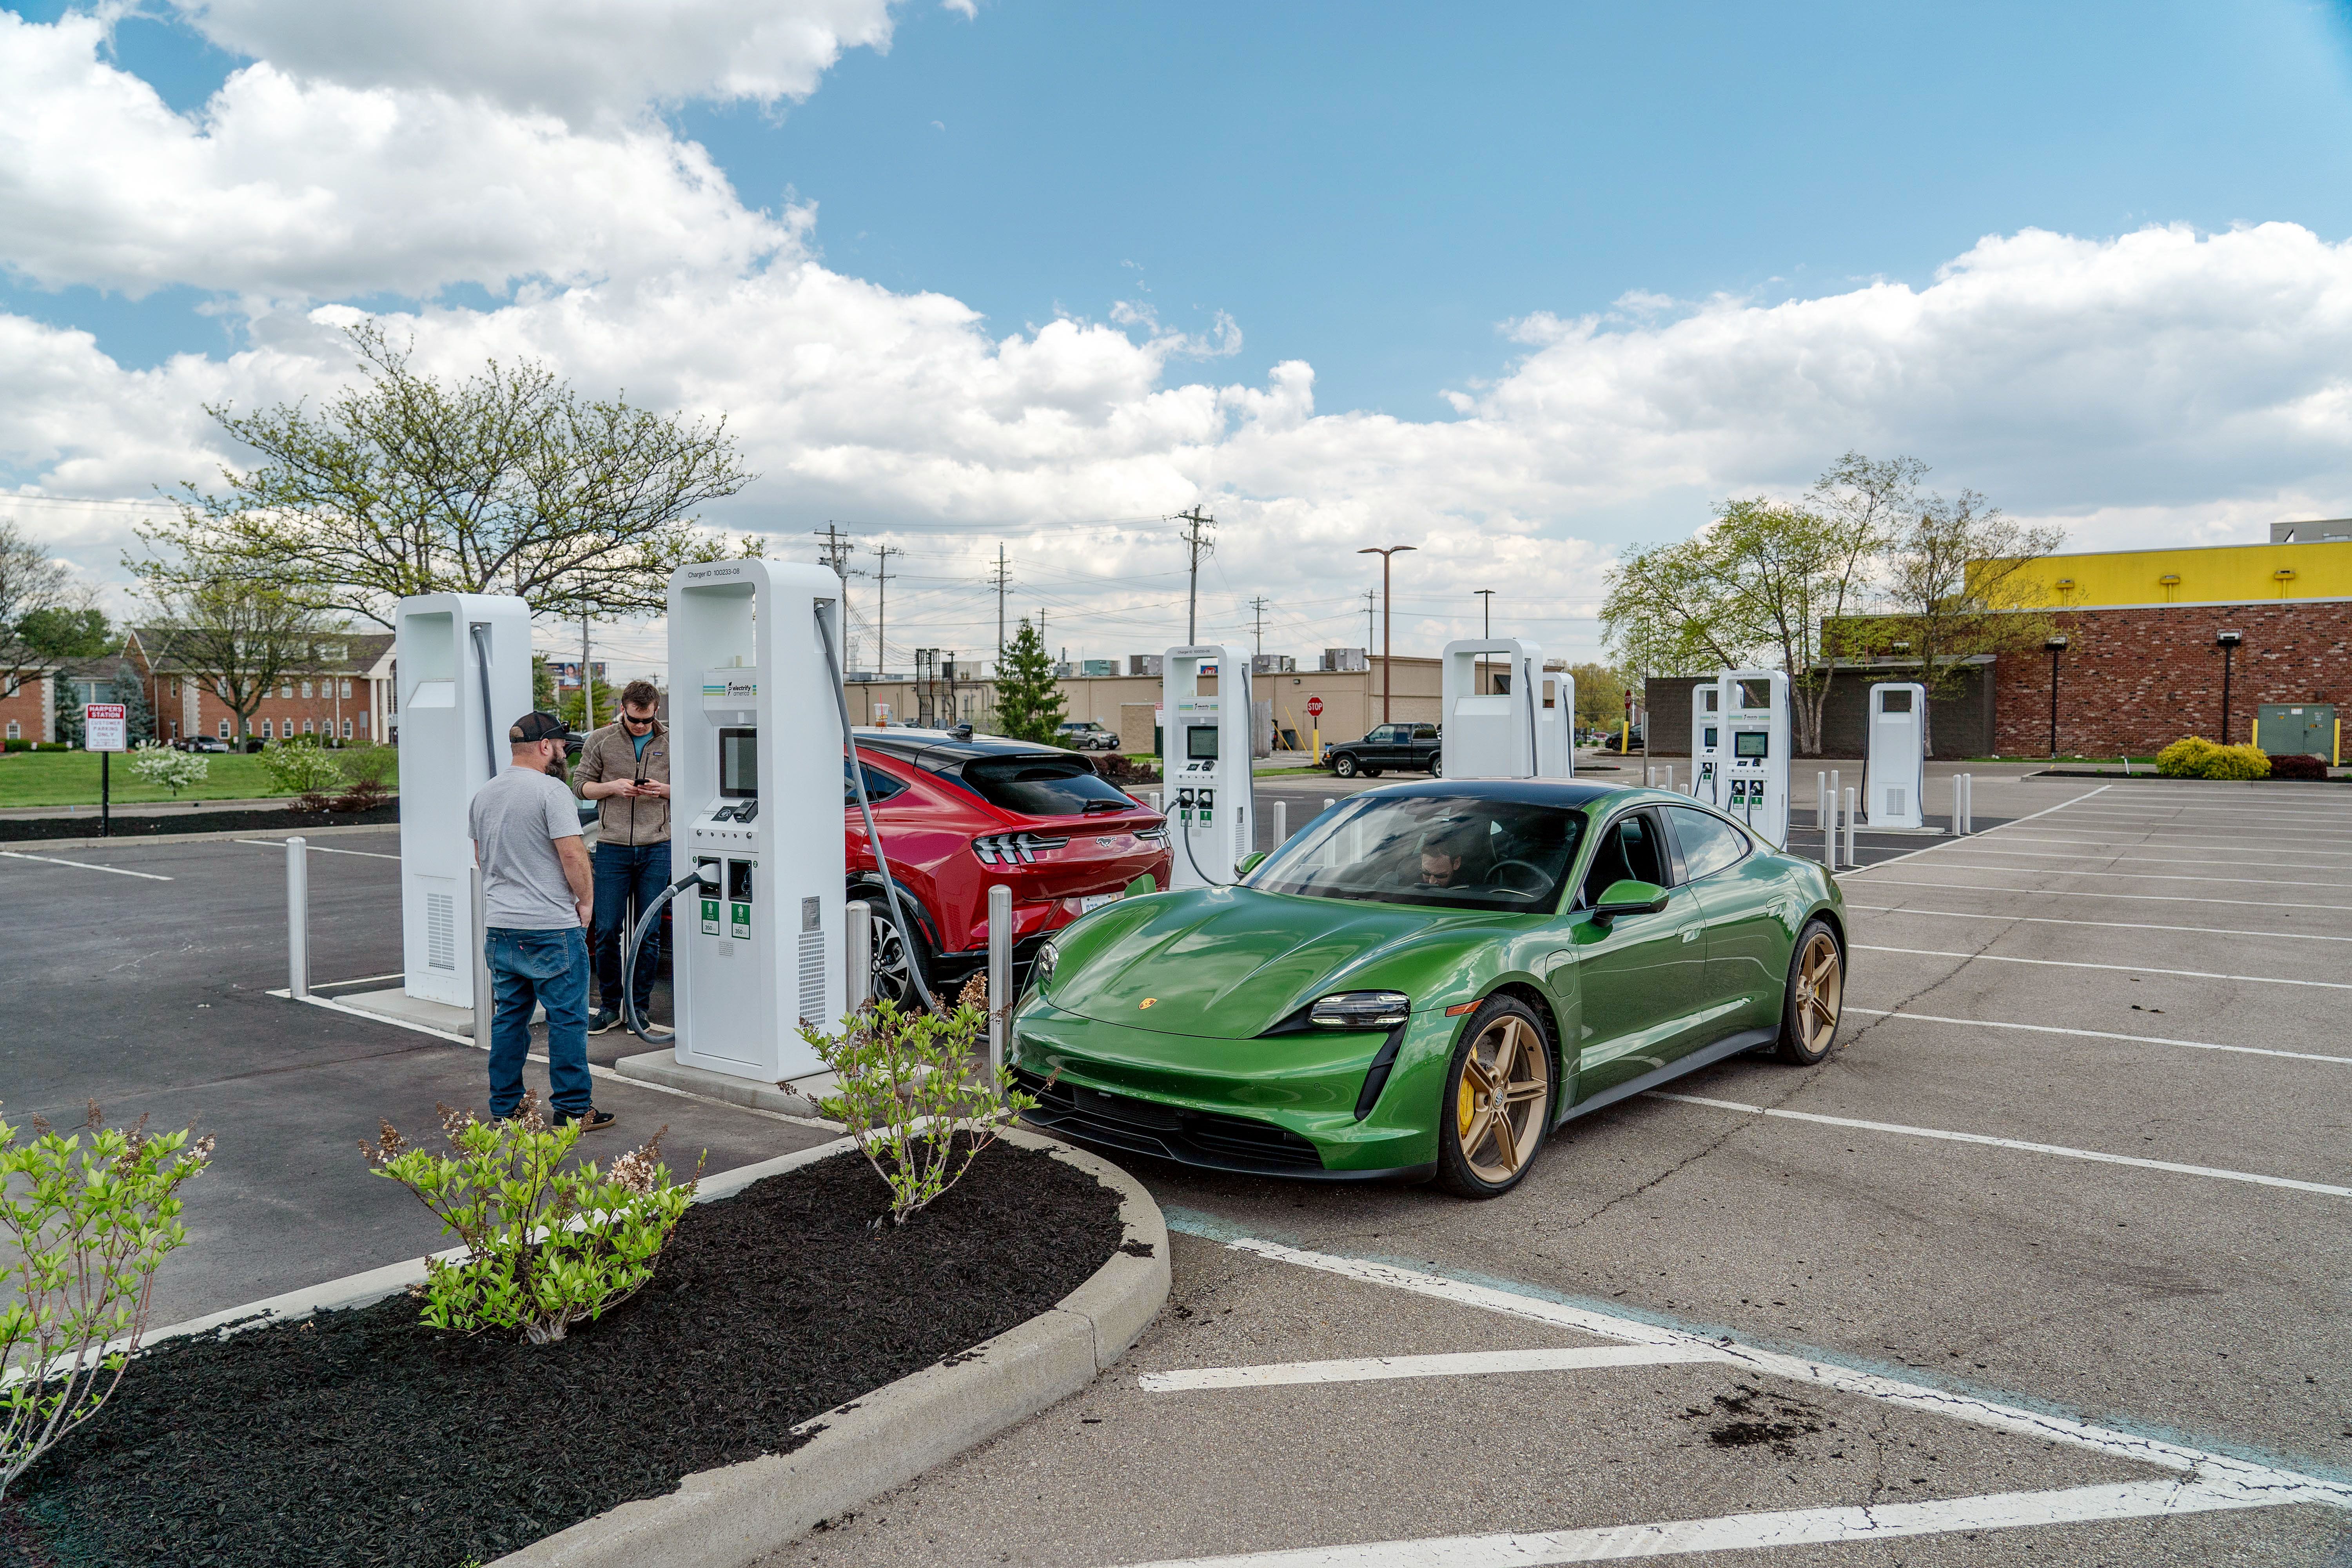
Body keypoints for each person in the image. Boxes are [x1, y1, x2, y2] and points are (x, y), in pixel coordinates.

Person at [469, 711, 612, 1131]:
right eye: (561, 747)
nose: (563, 756)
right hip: (550, 925)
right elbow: (572, 852)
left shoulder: (484, 794)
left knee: (510, 1017)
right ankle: (572, 1109)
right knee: (567, 1018)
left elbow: (481, 857)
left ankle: (506, 1107)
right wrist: (586, 902)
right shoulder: (552, 791)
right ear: (545, 746)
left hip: (501, 925)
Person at [573, 679, 671, 1034]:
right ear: (623, 710)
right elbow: (580, 785)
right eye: (634, 720)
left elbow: (697, 787)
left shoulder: (672, 741)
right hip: (612, 846)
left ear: (656, 710)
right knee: (607, 929)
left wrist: (665, 791)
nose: (641, 727)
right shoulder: (600, 740)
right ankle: (610, 1006)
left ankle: (639, 1009)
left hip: (658, 846)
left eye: (646, 720)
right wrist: (612, 787)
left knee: (649, 933)